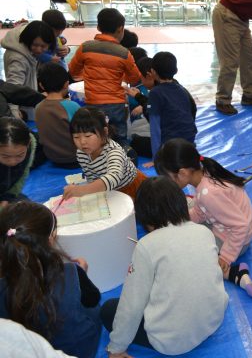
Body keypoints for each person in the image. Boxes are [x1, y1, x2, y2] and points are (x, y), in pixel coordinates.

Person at [101, 176, 228, 355]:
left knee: (108, 310)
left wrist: (116, 348)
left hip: (173, 341)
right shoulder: (204, 232)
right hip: (213, 320)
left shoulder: (146, 246)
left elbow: (131, 306)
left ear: (145, 216)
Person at [154, 138, 252, 299]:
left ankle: (234, 273)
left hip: (235, 239)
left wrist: (225, 257)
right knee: (185, 228)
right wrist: (180, 220)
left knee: (189, 257)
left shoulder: (209, 193)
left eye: (169, 179)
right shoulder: (204, 175)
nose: (169, 184)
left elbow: (241, 226)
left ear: (182, 173)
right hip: (223, 226)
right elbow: (200, 211)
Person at [0, 201, 102, 357]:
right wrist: (81, 273)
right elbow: (93, 298)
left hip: (31, 348)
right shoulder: (71, 272)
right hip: (77, 350)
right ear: (49, 240)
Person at [68, 8, 141, 146]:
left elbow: (73, 71)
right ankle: (123, 157)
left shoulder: (85, 47)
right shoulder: (124, 53)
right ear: (120, 29)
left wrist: (88, 74)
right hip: (116, 104)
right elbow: (134, 78)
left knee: (96, 138)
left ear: (98, 27)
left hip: (93, 103)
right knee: (119, 138)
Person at [63, 107, 147, 200]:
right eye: (76, 137)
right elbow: (91, 177)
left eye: (88, 136)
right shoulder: (81, 153)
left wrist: (82, 190)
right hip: (108, 190)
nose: (82, 142)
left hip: (131, 188)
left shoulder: (113, 151)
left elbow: (113, 177)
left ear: (105, 132)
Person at [147, 52, 197, 158]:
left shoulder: (155, 93)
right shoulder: (182, 89)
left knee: (136, 142)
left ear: (153, 71)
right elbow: (191, 113)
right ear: (176, 70)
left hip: (171, 144)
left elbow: (155, 128)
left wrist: (156, 158)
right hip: (189, 140)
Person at [35, 62, 80, 168]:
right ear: (66, 84)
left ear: (41, 85)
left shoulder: (38, 107)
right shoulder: (72, 106)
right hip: (75, 158)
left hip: (52, 157)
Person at [1, 20, 55, 94]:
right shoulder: (19, 60)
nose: (39, 50)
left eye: (43, 46)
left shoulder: (26, 47)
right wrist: (37, 97)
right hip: (23, 100)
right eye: (35, 45)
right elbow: (13, 91)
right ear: (27, 40)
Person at [0, 117, 37, 206]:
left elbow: (22, 175)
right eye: (5, 156)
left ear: (28, 144)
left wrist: (8, 197)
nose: (12, 162)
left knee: (31, 210)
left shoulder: (29, 145)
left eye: (20, 155)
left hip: (9, 191)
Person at [126, 56, 153, 158]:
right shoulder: (173, 87)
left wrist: (156, 156)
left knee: (134, 144)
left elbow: (155, 123)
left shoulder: (157, 93)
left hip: (168, 142)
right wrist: (138, 96)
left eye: (141, 77)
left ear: (149, 75)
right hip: (181, 138)